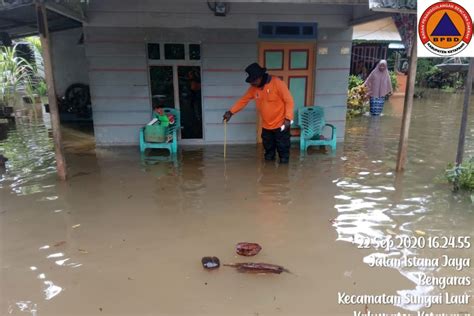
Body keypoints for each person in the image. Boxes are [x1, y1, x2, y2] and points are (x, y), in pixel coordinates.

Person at [223, 63, 294, 163]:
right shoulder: (253, 88)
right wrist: (230, 112)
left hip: (281, 125)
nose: (252, 84)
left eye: (253, 81)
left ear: (260, 77)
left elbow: (289, 101)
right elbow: (243, 100)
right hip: (266, 127)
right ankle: (269, 176)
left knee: (284, 156)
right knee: (268, 156)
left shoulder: (277, 83)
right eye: (250, 82)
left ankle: (283, 176)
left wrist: (288, 118)